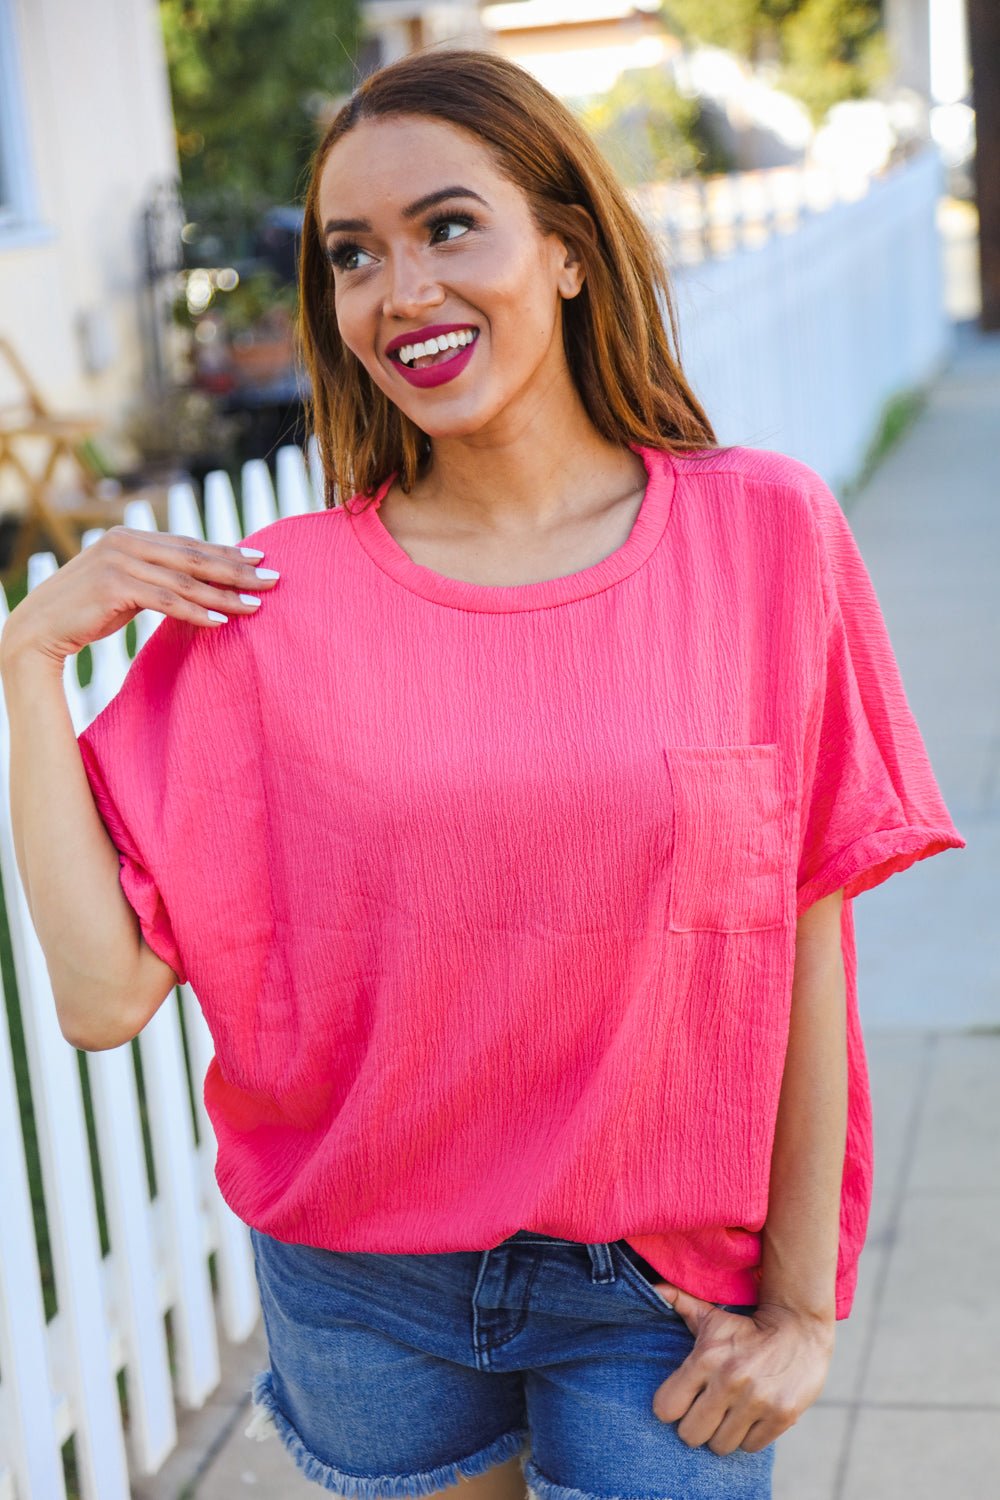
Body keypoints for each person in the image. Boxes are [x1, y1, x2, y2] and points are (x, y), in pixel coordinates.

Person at [0, 46, 965, 1500]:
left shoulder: (764, 537)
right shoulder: (274, 604)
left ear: (568, 251)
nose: (403, 292)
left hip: (658, 1297)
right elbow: (98, 998)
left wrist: (809, 1302)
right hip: (363, 1291)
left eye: (451, 226)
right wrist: (24, 666)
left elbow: (806, 933)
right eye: (353, 256)